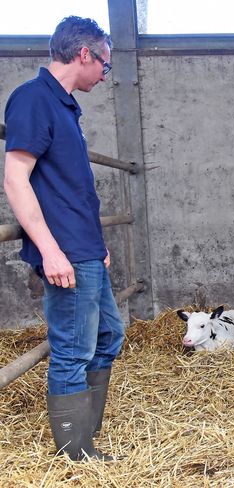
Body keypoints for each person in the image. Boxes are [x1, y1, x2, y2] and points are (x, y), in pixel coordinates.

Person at [3, 16, 123, 462]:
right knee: (73, 350)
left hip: (85, 249)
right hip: (65, 254)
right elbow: (16, 179)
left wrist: (98, 243)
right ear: (85, 54)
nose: (104, 75)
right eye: (105, 66)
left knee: (110, 334)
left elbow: (69, 188)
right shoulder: (34, 100)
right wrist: (51, 251)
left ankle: (84, 435)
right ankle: (76, 453)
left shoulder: (66, 106)